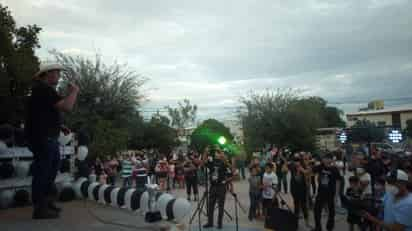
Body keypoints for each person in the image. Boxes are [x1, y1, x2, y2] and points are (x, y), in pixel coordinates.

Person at [25, 63, 79, 219]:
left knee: (50, 169)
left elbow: (42, 114)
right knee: (44, 171)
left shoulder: (41, 91)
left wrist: (59, 125)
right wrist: (74, 92)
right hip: (43, 137)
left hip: (45, 135)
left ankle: (46, 203)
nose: (59, 76)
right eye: (56, 73)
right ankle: (40, 208)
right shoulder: (44, 90)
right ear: (47, 74)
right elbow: (67, 107)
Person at [311, 154, 343, 231]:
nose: (325, 160)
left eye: (327, 159)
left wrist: (336, 194)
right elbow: (311, 171)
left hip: (330, 193)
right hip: (321, 192)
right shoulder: (320, 166)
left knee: (331, 211)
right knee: (316, 210)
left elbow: (338, 181)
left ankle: (330, 227)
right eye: (324, 158)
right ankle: (318, 227)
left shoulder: (334, 169)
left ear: (331, 160)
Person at [203, 149, 233, 229]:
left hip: (221, 186)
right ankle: (210, 222)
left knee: (221, 206)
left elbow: (232, 172)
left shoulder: (224, 163)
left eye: (219, 153)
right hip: (213, 186)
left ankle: (219, 223)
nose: (217, 154)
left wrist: (225, 181)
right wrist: (205, 153)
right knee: (210, 205)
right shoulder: (212, 162)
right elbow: (204, 162)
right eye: (216, 152)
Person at [290, 156, 310, 227]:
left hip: (302, 191)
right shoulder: (292, 168)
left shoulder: (303, 169)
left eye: (298, 161)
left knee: (304, 206)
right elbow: (284, 169)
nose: (297, 163)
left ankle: (307, 222)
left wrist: (303, 171)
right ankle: (295, 223)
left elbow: (308, 176)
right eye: (295, 161)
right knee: (296, 207)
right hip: (295, 191)